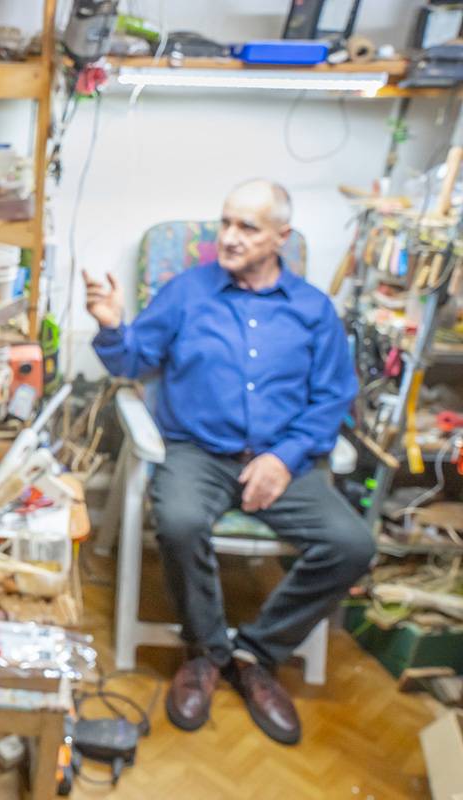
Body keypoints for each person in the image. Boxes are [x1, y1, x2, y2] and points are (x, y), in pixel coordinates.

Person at [84, 179, 375, 746]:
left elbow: (332, 398)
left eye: (248, 227)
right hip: (197, 451)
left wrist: (284, 459)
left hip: (283, 459)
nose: (230, 237)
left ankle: (256, 654)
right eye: (226, 223)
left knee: (353, 545)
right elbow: (133, 360)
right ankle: (207, 651)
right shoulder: (187, 292)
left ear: (281, 237)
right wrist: (112, 324)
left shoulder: (313, 309)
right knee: (180, 522)